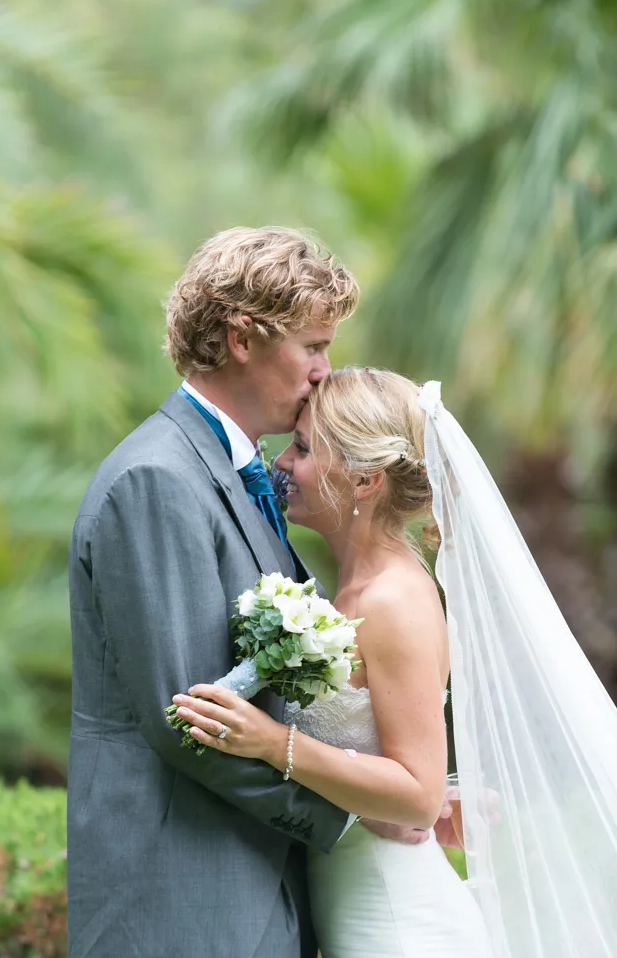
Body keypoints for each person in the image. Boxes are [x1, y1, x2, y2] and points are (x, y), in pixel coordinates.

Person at [66, 229, 454, 958]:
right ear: (243, 338)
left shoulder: (240, 478)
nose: (322, 371)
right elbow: (190, 720)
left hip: (257, 893)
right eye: (313, 346)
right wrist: (351, 819)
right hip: (182, 898)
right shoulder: (159, 480)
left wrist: (406, 792)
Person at [171, 367, 495, 957]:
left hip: (399, 925)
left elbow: (415, 795)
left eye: (301, 449)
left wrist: (272, 743)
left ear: (365, 479)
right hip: (350, 907)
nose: (282, 466)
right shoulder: (350, 590)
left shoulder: (394, 600)